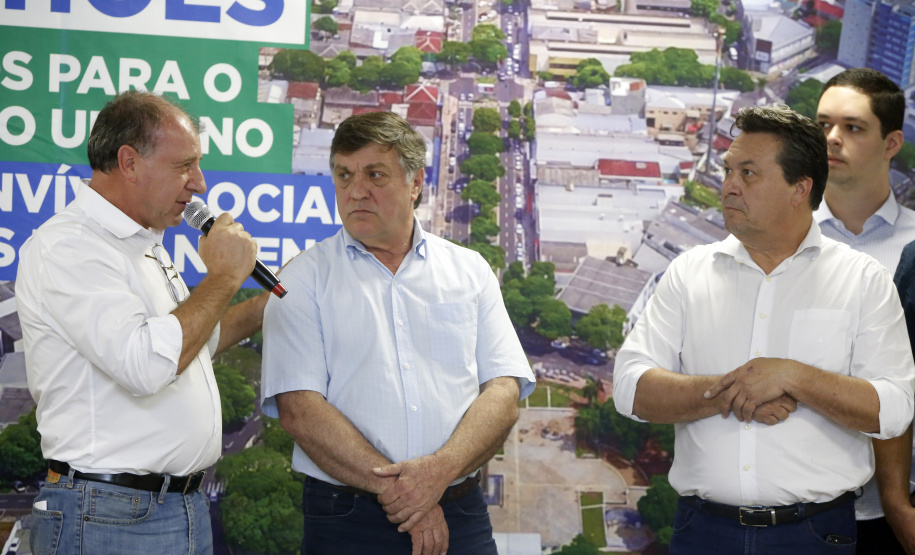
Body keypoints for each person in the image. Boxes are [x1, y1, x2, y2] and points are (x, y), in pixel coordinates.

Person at [613, 105, 915, 554]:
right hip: (702, 532)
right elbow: (630, 387)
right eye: (729, 169)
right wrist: (731, 390)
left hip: (815, 534)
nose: (729, 185)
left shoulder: (863, 279)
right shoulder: (688, 273)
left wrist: (794, 376)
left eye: (749, 173)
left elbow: (894, 408)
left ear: (800, 188)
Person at [261, 111, 535, 555]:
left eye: (375, 174)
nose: (356, 191)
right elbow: (300, 410)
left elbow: (503, 391)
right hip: (346, 519)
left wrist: (437, 474)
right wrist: (409, 495)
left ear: (415, 183)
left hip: (460, 510)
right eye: (344, 175)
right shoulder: (301, 279)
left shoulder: (469, 271)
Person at [16, 90, 267, 555]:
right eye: (184, 165)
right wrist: (226, 276)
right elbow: (147, 366)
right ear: (129, 162)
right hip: (110, 515)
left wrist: (266, 305)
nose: (200, 184)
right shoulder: (70, 247)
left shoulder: (143, 241)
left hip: (175, 508)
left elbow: (190, 347)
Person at [814, 68, 915, 554]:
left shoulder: (914, 248)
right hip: (794, 509)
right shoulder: (774, 243)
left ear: (892, 142)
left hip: (896, 512)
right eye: (823, 124)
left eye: (853, 127)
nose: (832, 138)